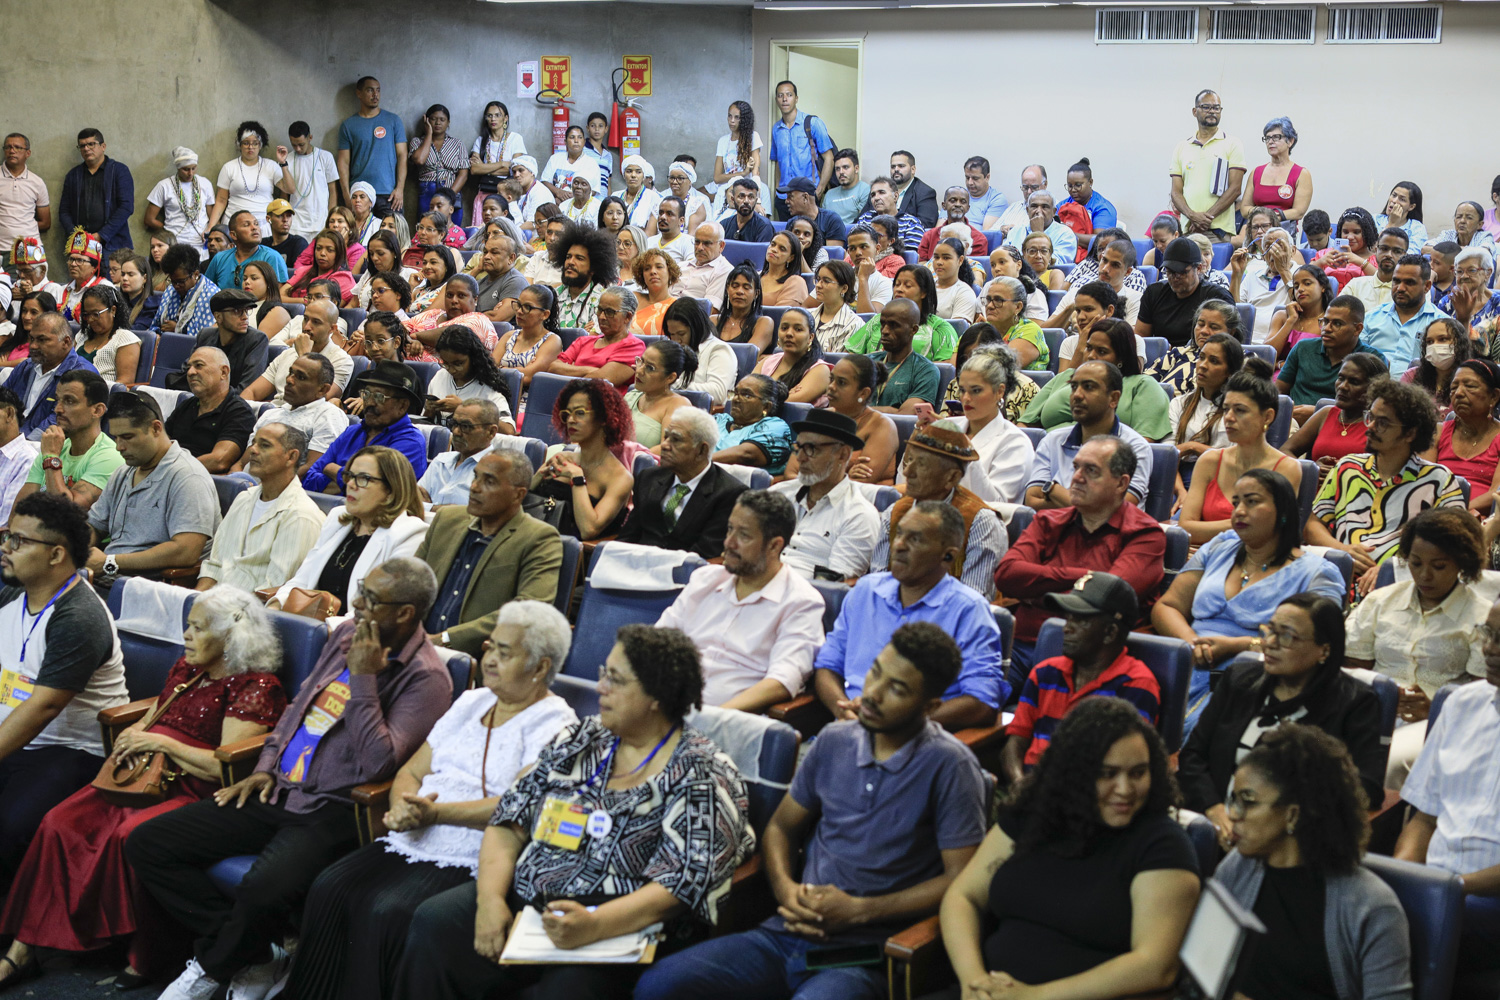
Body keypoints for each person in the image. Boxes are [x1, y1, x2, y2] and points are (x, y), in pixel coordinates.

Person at [128, 556, 450, 1000]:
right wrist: (261, 769)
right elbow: (298, 709)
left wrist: (363, 679)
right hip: (278, 787)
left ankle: (212, 966)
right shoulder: (345, 634)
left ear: (405, 613)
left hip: (333, 809)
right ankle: (258, 954)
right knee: (149, 843)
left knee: (262, 888)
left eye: (370, 599)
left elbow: (378, 763)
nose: (355, 603)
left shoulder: (428, 678)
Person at [397, 620, 752, 1000]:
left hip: (620, 926)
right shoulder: (581, 740)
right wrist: (490, 901)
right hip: (530, 902)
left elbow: (681, 884)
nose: (601, 688)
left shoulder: (702, 774)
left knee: (571, 989)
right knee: (436, 923)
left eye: (615, 679)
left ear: (657, 696)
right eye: (604, 673)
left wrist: (595, 925)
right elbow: (508, 821)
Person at [640, 621, 987, 1000]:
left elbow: (960, 879)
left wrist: (859, 911)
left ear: (930, 706)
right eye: (875, 672)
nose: (873, 693)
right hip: (788, 932)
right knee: (660, 986)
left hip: (865, 953)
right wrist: (786, 889)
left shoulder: (951, 767)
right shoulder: (835, 740)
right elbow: (781, 829)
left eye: (897, 689)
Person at [279, 601, 577, 1000]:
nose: (488, 659)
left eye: (504, 653)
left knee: (387, 910)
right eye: (490, 647)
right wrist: (403, 804)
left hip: (477, 852)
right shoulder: (473, 701)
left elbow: (517, 806)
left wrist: (436, 813)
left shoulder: (556, 725)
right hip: (416, 829)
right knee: (330, 886)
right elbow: (414, 770)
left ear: (541, 667)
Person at [0, 584, 281, 989]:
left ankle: (148, 953)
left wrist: (159, 742)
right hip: (145, 774)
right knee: (60, 822)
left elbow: (225, 769)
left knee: (129, 835)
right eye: (188, 625)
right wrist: (134, 737)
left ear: (230, 637)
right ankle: (22, 949)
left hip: (194, 787)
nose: (186, 635)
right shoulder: (188, 669)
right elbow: (153, 714)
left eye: (198, 628)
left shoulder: (255, 687)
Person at [940, 697, 1200, 1000]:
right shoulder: (1035, 813)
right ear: (1075, 772)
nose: (1125, 789)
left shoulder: (1163, 845)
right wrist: (973, 981)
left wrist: (1033, 996)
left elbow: (1154, 966)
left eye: (1138, 773)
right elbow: (963, 896)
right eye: (1107, 774)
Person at [1216, 724, 1413, 997]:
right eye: (1233, 800)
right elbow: (1206, 971)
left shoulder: (1372, 907)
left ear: (1293, 815)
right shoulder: (1236, 868)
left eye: (1248, 802)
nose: (1233, 814)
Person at [1153, 470, 1346, 732]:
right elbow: (1168, 606)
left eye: (1252, 502)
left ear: (1283, 511)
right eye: (1236, 503)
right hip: (1188, 664)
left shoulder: (1317, 573)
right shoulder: (1218, 547)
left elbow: (1319, 648)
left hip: (1259, 680)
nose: (1239, 512)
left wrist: (1239, 646)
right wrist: (1192, 643)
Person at [0, 490, 122, 895]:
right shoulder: (14, 591)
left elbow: (44, 706)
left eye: (19, 541)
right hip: (16, 737)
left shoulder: (78, 616)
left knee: (11, 824)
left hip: (71, 750)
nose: (6, 548)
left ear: (55, 555)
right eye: (7, 537)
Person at [1179, 590, 1386, 820]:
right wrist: (1214, 810)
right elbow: (1193, 755)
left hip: (1294, 836)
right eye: (1270, 631)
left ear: (1324, 650)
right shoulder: (1240, 680)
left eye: (1286, 636)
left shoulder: (1355, 703)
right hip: (1217, 822)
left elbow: (1367, 788)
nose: (1270, 644)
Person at [819, 501, 1007, 730]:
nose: (899, 545)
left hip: (918, 738)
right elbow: (827, 665)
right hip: (847, 725)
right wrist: (843, 708)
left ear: (947, 556)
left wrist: (897, 718)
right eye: (899, 534)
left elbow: (982, 703)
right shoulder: (865, 591)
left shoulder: (969, 610)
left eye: (915, 539)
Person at [1394, 594, 1500, 978]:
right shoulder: (1461, 704)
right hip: (1440, 887)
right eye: (1489, 633)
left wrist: (1451, 889)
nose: (1489, 648)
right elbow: (1424, 818)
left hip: (1485, 898)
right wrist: (1403, 878)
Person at [998, 435, 1165, 678]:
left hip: (1088, 656)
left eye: (1091, 471)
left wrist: (1033, 594)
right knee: (965, 698)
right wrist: (1083, 576)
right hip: (1021, 645)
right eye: (1076, 467)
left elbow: (1106, 597)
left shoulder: (1145, 535)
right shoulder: (1048, 521)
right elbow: (1006, 575)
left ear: (1121, 483)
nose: (1076, 477)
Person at [1346, 508, 1490, 788]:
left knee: (1385, 764)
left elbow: (1481, 695)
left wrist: (1435, 709)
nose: (1424, 575)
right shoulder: (1381, 601)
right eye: (1415, 563)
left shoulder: (1480, 617)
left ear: (1462, 563)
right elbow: (1353, 668)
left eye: (1439, 566)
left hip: (1439, 723)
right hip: (1370, 710)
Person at [651, 489, 823, 710]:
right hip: (663, 707)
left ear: (774, 545)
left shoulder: (801, 603)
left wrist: (715, 717)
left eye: (743, 535)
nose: (729, 543)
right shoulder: (705, 580)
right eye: (730, 529)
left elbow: (781, 681)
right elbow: (657, 643)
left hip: (723, 722)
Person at [1309, 378, 1465, 594]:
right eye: (1370, 417)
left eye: (1382, 422)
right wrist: (1342, 550)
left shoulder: (1438, 480)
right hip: (1336, 582)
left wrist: (1395, 567)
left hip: (1401, 589)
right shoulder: (1348, 467)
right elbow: (1312, 523)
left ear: (1410, 433)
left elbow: (1454, 544)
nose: (1370, 427)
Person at [1003, 572, 1160, 781]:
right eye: (1068, 618)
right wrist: (1020, 785)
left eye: (1080, 620)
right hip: (1028, 791)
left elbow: (1120, 770)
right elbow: (1016, 743)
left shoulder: (1137, 685)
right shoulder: (1045, 672)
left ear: (1110, 632)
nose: (1067, 628)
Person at [416, 448, 563, 659]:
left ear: (518, 494)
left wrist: (445, 640)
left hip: (479, 658)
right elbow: (410, 582)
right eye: (475, 476)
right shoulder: (447, 520)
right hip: (415, 646)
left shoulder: (539, 538)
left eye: (489, 482)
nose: (474, 487)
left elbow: (529, 611)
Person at [84, 392, 219, 584]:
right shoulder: (124, 472)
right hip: (107, 577)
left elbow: (186, 551)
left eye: (127, 437)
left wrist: (110, 562)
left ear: (156, 428)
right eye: (116, 437)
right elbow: (94, 526)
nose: (119, 447)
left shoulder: (188, 477)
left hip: (147, 587)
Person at [871, 423, 1006, 598]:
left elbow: (971, 601)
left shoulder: (981, 522)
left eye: (922, 464)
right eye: (910, 460)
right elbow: (878, 586)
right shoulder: (895, 512)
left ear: (952, 477)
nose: (907, 472)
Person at [196, 422, 324, 594]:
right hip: (215, 602)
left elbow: (275, 588)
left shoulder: (300, 515)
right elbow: (215, 565)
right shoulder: (244, 498)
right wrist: (196, 600)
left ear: (291, 457)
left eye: (264, 445)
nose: (253, 451)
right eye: (254, 443)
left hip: (251, 612)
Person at [1178, 369, 1302, 543]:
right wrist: (1245, 525)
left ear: (1267, 417)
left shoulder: (1287, 468)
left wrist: (1209, 532)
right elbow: (1186, 528)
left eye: (1240, 410)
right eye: (1226, 409)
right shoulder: (1210, 461)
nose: (1228, 417)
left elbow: (1272, 534)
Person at [618, 406, 747, 559]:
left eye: (676, 440)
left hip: (684, 575)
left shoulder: (729, 493)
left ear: (701, 450)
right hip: (635, 568)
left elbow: (705, 553)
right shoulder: (649, 478)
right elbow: (629, 536)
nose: (665, 445)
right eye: (666, 437)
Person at [770, 409, 880, 580]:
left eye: (811, 449)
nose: (800, 458)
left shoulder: (859, 515)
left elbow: (832, 586)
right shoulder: (777, 494)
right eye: (799, 448)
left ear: (842, 454)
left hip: (804, 599)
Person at [531, 379, 634, 540]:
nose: (571, 420)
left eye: (579, 413)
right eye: (567, 414)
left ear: (604, 418)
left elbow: (588, 529)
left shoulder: (621, 478)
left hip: (569, 555)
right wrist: (537, 478)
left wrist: (577, 479)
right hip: (535, 537)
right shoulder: (562, 459)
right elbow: (523, 506)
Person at [305, 360, 428, 494]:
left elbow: (377, 492)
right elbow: (308, 479)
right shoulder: (351, 432)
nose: (369, 403)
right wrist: (352, 480)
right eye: (367, 394)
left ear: (402, 405)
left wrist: (331, 469)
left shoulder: (410, 442)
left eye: (379, 397)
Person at [15, 370, 122, 514]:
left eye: (69, 401)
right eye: (57, 400)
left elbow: (67, 513)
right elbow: (17, 512)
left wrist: (52, 458)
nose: (58, 409)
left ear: (97, 410)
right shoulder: (53, 448)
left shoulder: (110, 457)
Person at [948, 345, 1033, 504]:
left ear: (1000, 391)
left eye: (976, 390)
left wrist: (964, 448)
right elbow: (908, 483)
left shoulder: (1015, 443)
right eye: (962, 390)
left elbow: (995, 504)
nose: (965, 398)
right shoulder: (946, 427)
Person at [1276, 293, 1379, 421]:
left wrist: (1318, 412)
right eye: (1325, 321)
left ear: (1358, 329)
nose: (1327, 328)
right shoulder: (1303, 348)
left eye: (1337, 324)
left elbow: (1371, 409)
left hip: (1343, 426)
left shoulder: (1372, 360)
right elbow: (1278, 393)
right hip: (1293, 422)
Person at [1282, 352, 1390, 471]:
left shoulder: (1378, 425)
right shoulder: (1326, 414)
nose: (1343, 386)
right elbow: (1284, 451)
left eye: (1354, 382)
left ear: (1374, 388)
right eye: (1341, 378)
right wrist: (1311, 469)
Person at [1168, 332, 1243, 499]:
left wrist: (1192, 447)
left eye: (1214, 361)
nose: (1202, 365)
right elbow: (1169, 456)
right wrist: (1181, 492)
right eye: (1201, 357)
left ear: (1229, 372)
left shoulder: (1238, 411)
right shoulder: (1179, 403)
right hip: (1178, 480)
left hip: (1221, 483)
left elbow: (1237, 460)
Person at [1424, 358, 1500, 514]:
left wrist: (1457, 512)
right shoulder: (1437, 432)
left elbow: (1496, 494)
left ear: (1494, 396)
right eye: (1453, 388)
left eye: (1470, 386)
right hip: (1432, 517)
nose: (1458, 394)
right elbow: (1424, 483)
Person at [164, 346, 257, 474]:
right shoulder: (186, 405)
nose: (190, 372)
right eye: (188, 367)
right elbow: (160, 444)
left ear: (223, 372)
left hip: (200, 481)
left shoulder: (239, 412)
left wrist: (170, 468)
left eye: (199, 365)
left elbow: (219, 461)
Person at [8, 311, 98, 441]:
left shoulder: (82, 375)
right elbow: (3, 403)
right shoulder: (25, 367)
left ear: (66, 342)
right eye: (32, 339)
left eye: (42, 339)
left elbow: (59, 422)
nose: (33, 346)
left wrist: (22, 446)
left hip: (43, 446)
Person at [1170, 89, 1246, 240]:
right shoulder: (1182, 147)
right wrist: (1193, 216)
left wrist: (1206, 218)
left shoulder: (1232, 144)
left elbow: (1235, 189)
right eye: (1206, 107)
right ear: (1194, 111)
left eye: (1216, 108)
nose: (1212, 111)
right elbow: (1176, 193)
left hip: (1218, 231)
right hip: (1188, 229)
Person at [847, 265, 958, 362]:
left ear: (924, 292)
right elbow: (850, 353)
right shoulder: (877, 320)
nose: (899, 289)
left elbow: (946, 366)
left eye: (907, 286)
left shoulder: (939, 328)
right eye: (897, 284)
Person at [1136, 237, 1234, 347]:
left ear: (1198, 268)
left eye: (1182, 272)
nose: (1175, 277)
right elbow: (1141, 339)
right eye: (1170, 272)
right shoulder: (1154, 293)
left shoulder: (1217, 297)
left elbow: (1228, 343)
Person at [169, 288, 268, 393]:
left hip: (232, 404)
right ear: (218, 317)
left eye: (246, 311)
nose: (245, 317)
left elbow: (247, 388)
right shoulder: (206, 336)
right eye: (237, 311)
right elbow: (187, 373)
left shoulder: (256, 340)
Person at [549, 286, 646, 389]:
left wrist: (572, 369)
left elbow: (603, 380)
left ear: (627, 317)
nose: (601, 317)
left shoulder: (633, 346)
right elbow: (553, 368)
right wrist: (590, 370)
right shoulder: (583, 341)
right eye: (600, 310)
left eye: (609, 312)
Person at [1361, 253, 1444, 373]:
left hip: (1418, 390)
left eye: (1409, 283)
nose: (1400, 288)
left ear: (1427, 286)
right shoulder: (1371, 318)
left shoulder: (1441, 323)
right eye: (1396, 281)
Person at [337, 76, 408, 213]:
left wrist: (400, 189)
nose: (375, 95)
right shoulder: (348, 125)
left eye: (378, 90)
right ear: (359, 93)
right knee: (359, 235)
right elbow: (343, 163)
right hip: (360, 194)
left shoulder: (393, 120)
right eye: (370, 90)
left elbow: (402, 155)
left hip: (389, 195)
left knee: (392, 234)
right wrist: (347, 195)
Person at [58, 129, 133, 255]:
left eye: (91, 144)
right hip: (81, 246)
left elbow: (126, 207)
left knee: (113, 275)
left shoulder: (119, 171)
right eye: (82, 146)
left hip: (113, 245)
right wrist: (76, 236)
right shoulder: (73, 175)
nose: (86, 149)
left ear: (103, 146)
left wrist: (101, 235)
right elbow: (64, 211)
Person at [768, 80, 836, 217]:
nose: (785, 99)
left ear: (796, 98)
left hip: (807, 197)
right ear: (776, 100)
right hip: (784, 199)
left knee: (807, 236)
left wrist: (819, 189)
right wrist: (777, 190)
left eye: (789, 95)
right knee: (786, 236)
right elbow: (777, 163)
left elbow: (829, 157)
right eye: (780, 96)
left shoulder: (813, 123)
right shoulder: (776, 129)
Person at [206, 122, 292, 230]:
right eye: (246, 143)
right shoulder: (229, 167)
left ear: (260, 145)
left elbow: (289, 189)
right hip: (235, 224)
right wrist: (211, 227)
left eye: (255, 143)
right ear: (240, 145)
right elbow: (221, 200)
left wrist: (283, 163)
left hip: (264, 225)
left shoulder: (271, 166)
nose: (250, 147)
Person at [1237, 115, 1311, 239]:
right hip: (1256, 235)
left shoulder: (1301, 173)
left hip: (1284, 234)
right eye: (1267, 138)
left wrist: (1272, 216)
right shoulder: (1256, 172)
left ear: (1290, 141)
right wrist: (1264, 217)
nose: (1271, 141)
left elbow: (1299, 212)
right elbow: (1244, 209)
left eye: (1276, 137)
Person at [866, 298, 942, 414]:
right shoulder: (867, 362)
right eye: (883, 324)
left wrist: (859, 410)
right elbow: (844, 406)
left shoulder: (925, 370)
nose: (885, 331)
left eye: (893, 325)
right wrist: (890, 410)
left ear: (914, 330)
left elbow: (905, 415)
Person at [1229, 217, 1297, 342]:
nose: (1273, 251)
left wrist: (1284, 271)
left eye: (1279, 245)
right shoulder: (1252, 276)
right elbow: (1235, 311)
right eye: (1268, 247)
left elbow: (1303, 306)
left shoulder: (1302, 274)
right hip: (1247, 341)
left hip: (1282, 342)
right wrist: (1237, 275)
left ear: (1292, 251)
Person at [663, 296, 736, 407]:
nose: (676, 340)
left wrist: (671, 384)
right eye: (672, 334)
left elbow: (719, 393)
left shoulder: (719, 350)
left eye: (681, 334)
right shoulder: (672, 348)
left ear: (696, 328)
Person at [715, 374, 794, 476]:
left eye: (747, 395)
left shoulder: (775, 426)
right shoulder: (720, 419)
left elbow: (747, 454)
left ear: (766, 406)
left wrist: (702, 463)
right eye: (735, 393)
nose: (735, 399)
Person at [144, 146, 212, 256]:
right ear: (178, 168)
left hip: (201, 244)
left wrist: (209, 231)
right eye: (186, 169)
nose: (190, 173)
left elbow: (212, 215)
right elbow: (149, 219)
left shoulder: (205, 184)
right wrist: (169, 232)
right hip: (176, 244)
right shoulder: (164, 186)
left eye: (193, 168)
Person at [495, 284, 563, 392]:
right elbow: (488, 370)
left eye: (527, 307)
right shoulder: (509, 336)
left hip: (528, 401)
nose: (519, 311)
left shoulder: (552, 341)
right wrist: (520, 370)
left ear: (545, 314)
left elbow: (529, 377)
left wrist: (500, 369)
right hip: (498, 395)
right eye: (518, 304)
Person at [757, 306, 830, 405]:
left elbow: (788, 404)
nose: (789, 333)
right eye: (784, 328)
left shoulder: (820, 370)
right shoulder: (767, 361)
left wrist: (761, 395)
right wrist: (782, 395)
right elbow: (746, 391)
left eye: (798, 329)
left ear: (810, 337)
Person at [551, 221, 616, 333]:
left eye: (579, 258)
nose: (570, 262)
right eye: (568, 257)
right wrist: (580, 333)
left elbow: (593, 338)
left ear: (593, 268)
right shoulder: (553, 296)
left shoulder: (603, 300)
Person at [468, 101, 526, 225]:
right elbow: (474, 170)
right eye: (489, 116)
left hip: (506, 196)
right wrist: (502, 164)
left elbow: (514, 170)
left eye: (497, 115)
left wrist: (483, 168)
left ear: (505, 118)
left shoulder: (515, 139)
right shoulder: (481, 141)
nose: (493, 119)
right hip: (484, 194)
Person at [202, 210, 287, 293]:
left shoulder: (272, 257)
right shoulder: (219, 258)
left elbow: (278, 297)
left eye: (256, 224)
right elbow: (205, 291)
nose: (254, 228)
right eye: (246, 225)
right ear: (233, 235)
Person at [73, 285, 141, 383]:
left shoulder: (125, 340)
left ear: (113, 310)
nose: (90, 319)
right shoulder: (82, 335)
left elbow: (124, 383)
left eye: (96, 314)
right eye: (86, 315)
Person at [151, 245, 219, 339]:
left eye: (181, 282)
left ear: (195, 274)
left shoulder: (211, 294)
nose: (176, 286)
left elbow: (205, 337)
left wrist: (177, 329)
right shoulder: (170, 290)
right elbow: (156, 325)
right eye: (173, 281)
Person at [1341, 227, 1409, 316]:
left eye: (1397, 251)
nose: (1389, 255)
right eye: (1384, 249)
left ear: (1405, 256)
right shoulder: (1356, 285)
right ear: (1376, 251)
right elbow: (1337, 315)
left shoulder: (1411, 290)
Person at [1002, 190, 1078, 266]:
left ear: (1054, 212)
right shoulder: (1016, 231)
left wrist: (1038, 234)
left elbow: (1056, 265)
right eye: (1034, 206)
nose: (1038, 211)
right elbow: (1003, 258)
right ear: (1028, 210)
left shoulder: (1065, 234)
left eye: (1044, 207)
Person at [280, 228, 353, 305]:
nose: (322, 253)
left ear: (339, 254)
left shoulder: (344, 278)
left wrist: (297, 301)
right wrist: (304, 301)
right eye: (319, 248)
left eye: (329, 250)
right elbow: (279, 297)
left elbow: (329, 307)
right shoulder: (303, 271)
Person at [715, 264, 776, 354]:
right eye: (735, 286)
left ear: (756, 293)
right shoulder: (713, 321)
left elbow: (748, 357)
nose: (739, 291)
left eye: (746, 287)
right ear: (728, 289)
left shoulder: (764, 323)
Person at [56, 228, 111, 324]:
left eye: (80, 260)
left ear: (94, 267)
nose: (73, 264)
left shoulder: (105, 287)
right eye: (71, 259)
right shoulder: (61, 290)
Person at [852, 186, 926, 257]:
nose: (876, 198)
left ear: (896, 196)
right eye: (873, 195)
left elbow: (909, 258)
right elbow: (854, 247)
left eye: (882, 192)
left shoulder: (911, 223)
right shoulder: (865, 218)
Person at [629, 247, 680, 339]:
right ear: (641, 275)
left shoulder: (677, 306)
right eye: (647, 269)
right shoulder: (632, 298)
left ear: (670, 272)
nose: (653, 271)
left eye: (659, 267)